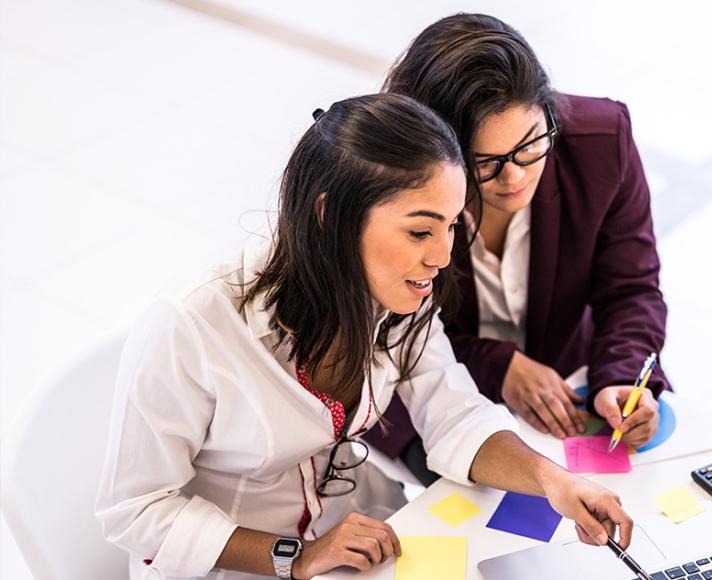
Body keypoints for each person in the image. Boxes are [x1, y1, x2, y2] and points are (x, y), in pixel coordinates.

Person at [95, 93, 633, 580]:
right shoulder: (193, 326)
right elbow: (135, 510)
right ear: (331, 216)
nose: (443, 257)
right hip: (240, 564)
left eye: (451, 227)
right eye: (421, 231)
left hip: (361, 535)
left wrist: (556, 482)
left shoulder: (397, 296)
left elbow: (454, 414)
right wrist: (295, 556)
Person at [365, 14, 671, 485]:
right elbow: (389, 326)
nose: (515, 178)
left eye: (530, 145)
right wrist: (499, 365)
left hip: (562, 390)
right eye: (484, 163)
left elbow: (630, 287)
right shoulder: (395, 187)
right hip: (425, 400)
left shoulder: (600, 143)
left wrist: (624, 378)